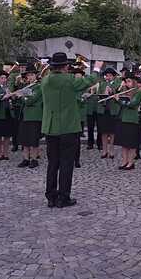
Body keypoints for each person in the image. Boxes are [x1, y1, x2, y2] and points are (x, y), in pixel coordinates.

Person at [41, 52, 103, 208]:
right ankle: (63, 197)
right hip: (68, 127)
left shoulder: (45, 80)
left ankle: (50, 196)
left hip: (50, 127)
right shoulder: (69, 80)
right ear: (65, 66)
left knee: (52, 163)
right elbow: (90, 80)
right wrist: (96, 68)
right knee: (66, 163)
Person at [10, 66, 43, 169]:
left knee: (33, 139)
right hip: (24, 115)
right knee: (24, 139)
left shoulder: (39, 86)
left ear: (36, 76)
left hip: (34, 116)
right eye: (28, 75)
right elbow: (21, 101)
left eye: (32, 75)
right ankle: (25, 159)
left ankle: (34, 159)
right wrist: (14, 96)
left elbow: (31, 100)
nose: (30, 77)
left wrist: (22, 96)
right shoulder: (26, 87)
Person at [114, 74, 141, 170]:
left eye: (129, 81)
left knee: (131, 143)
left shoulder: (138, 93)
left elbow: (132, 104)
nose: (127, 83)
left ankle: (131, 162)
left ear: (134, 82)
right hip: (123, 118)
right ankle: (124, 161)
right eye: (126, 81)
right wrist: (117, 97)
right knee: (124, 143)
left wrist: (119, 100)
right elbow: (120, 102)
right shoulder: (125, 92)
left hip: (132, 120)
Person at [96, 67, 121, 159]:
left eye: (110, 75)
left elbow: (119, 93)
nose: (108, 77)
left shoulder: (118, 83)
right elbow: (98, 96)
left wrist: (112, 91)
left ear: (114, 76)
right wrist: (104, 92)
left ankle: (111, 150)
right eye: (107, 75)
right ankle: (104, 150)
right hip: (103, 110)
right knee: (103, 132)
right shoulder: (102, 84)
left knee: (112, 132)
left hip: (113, 110)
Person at [8, 59, 27, 152]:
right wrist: (16, 83)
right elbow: (11, 90)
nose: (23, 69)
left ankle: (24, 144)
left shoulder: (29, 76)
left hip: (26, 104)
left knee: (25, 125)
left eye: (24, 67)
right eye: (21, 67)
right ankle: (15, 144)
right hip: (17, 104)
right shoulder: (13, 76)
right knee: (15, 125)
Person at [73, 67, 87, 168]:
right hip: (70, 116)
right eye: (76, 74)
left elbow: (83, 102)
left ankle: (76, 160)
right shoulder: (71, 85)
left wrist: (82, 99)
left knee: (76, 140)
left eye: (79, 74)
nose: (77, 76)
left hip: (79, 116)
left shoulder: (83, 87)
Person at [86, 82, 102, 151]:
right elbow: (85, 94)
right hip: (90, 109)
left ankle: (100, 143)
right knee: (90, 127)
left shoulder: (101, 85)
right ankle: (90, 143)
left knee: (100, 127)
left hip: (98, 109)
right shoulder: (88, 85)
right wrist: (90, 90)